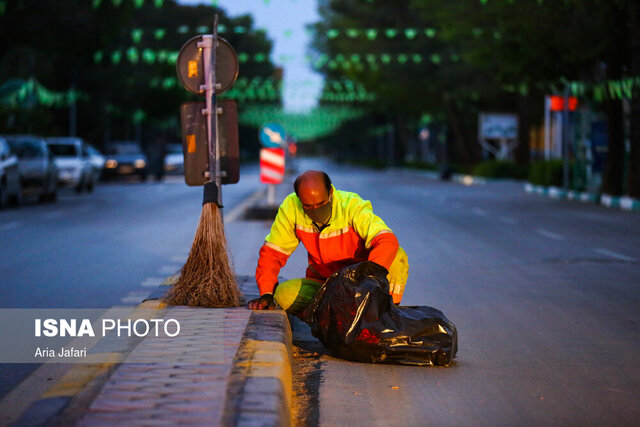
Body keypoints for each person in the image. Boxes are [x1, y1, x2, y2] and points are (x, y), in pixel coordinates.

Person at [248, 170, 409, 313]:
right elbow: (273, 253)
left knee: (396, 256)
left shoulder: (351, 205)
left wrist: (365, 282)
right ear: (299, 200)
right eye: (308, 207)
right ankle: (327, 320)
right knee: (282, 294)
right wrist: (266, 293)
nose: (316, 210)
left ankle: (387, 314)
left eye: (321, 204)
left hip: (361, 283)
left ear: (331, 192)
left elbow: (386, 240)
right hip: (325, 284)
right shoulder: (291, 208)